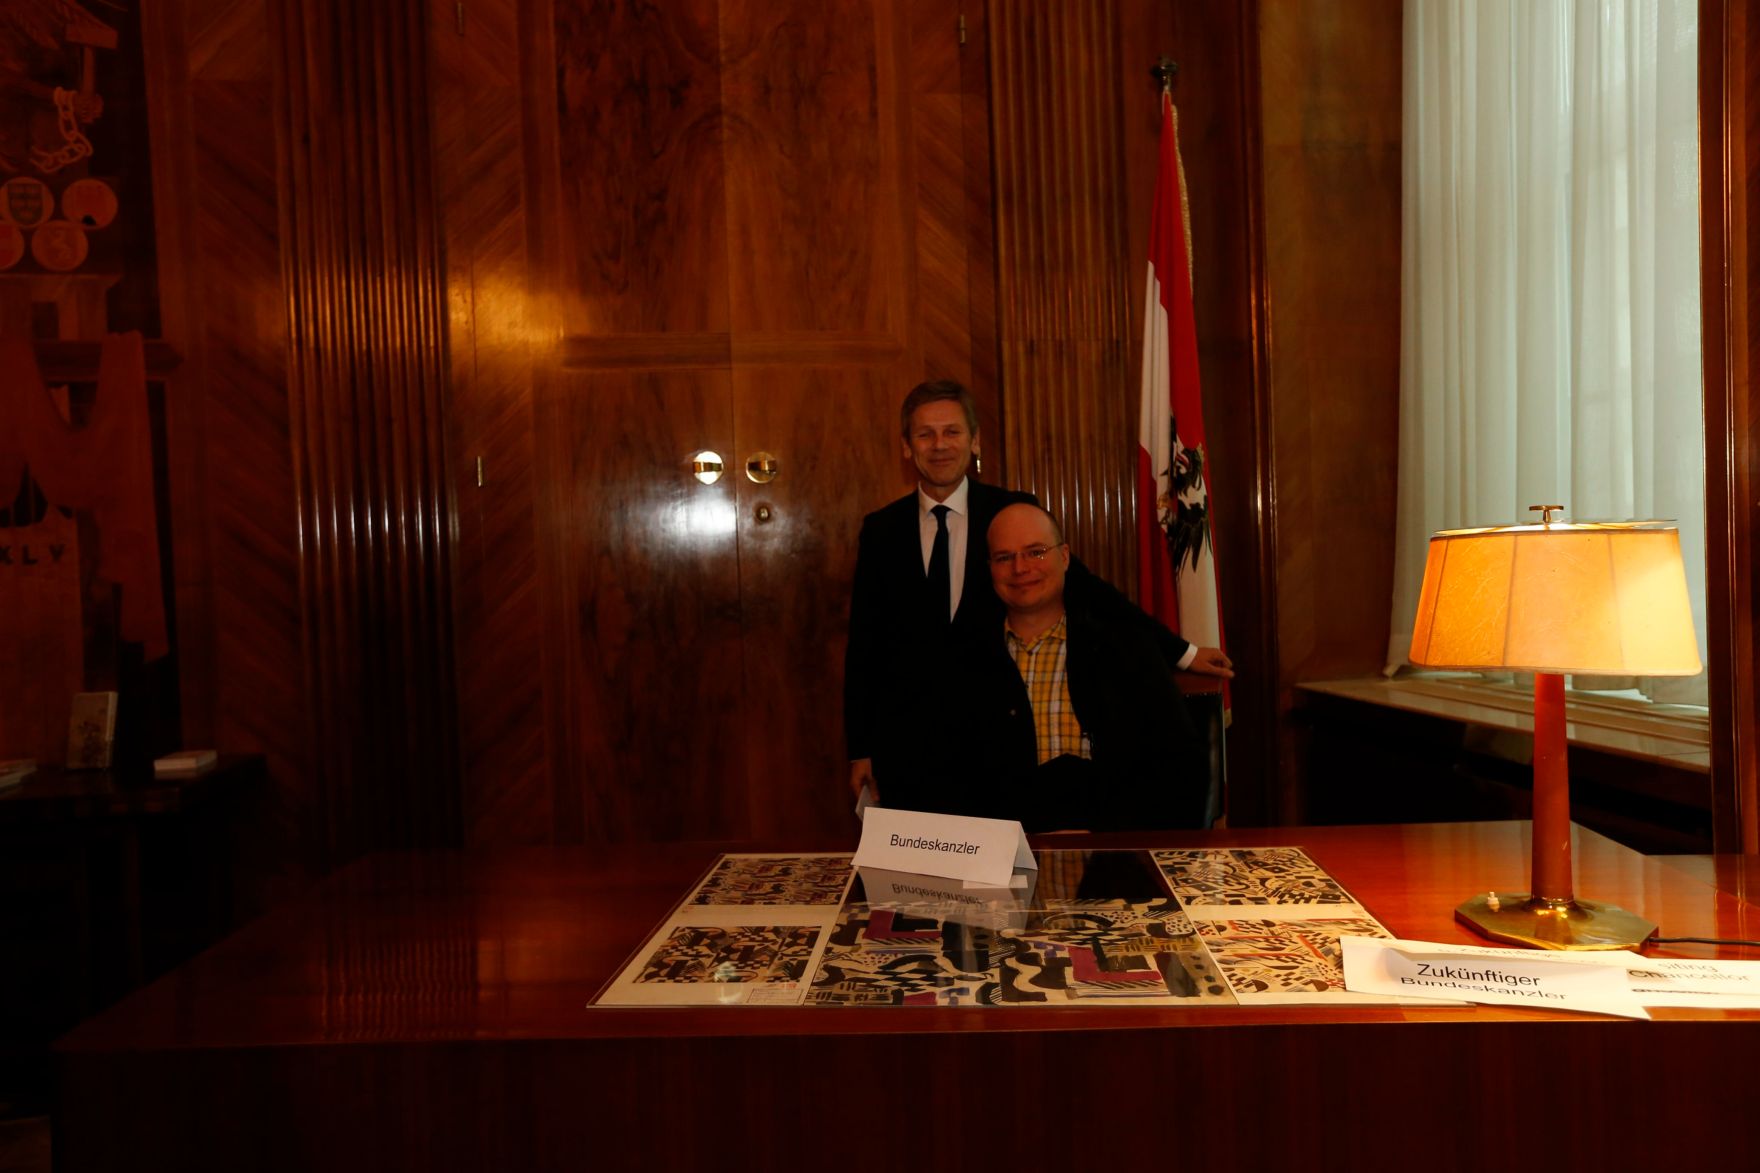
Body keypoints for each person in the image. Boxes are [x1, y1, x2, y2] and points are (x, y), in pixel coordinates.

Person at [842, 380, 1232, 813]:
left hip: (989, 747)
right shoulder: (881, 530)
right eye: (925, 434)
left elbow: (1092, 592)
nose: (939, 445)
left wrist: (1182, 652)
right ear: (906, 447)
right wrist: (860, 747)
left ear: (974, 440)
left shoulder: (1012, 513)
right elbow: (865, 644)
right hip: (907, 746)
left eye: (951, 432)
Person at [972, 502, 1210, 832]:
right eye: (1004, 557)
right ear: (990, 568)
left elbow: (1182, 769)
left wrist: (1105, 830)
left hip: (1114, 862)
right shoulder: (964, 662)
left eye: (1036, 552)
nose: (1020, 568)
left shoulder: (1126, 650)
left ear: (1065, 557)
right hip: (996, 868)